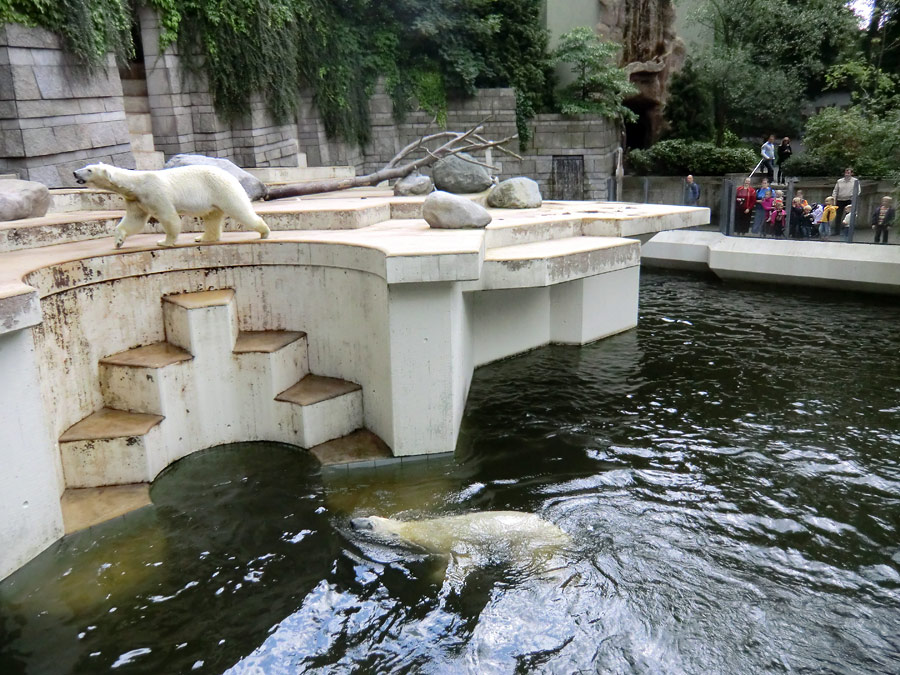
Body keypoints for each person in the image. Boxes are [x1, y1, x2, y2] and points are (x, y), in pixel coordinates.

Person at [832, 168, 859, 235]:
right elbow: (835, 191)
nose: (847, 173)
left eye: (848, 172)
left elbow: (858, 191)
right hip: (840, 200)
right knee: (838, 216)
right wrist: (834, 199)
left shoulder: (855, 181)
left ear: (852, 173)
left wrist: (853, 197)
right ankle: (836, 231)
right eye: (846, 172)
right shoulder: (839, 181)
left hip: (849, 200)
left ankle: (847, 231)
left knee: (848, 216)